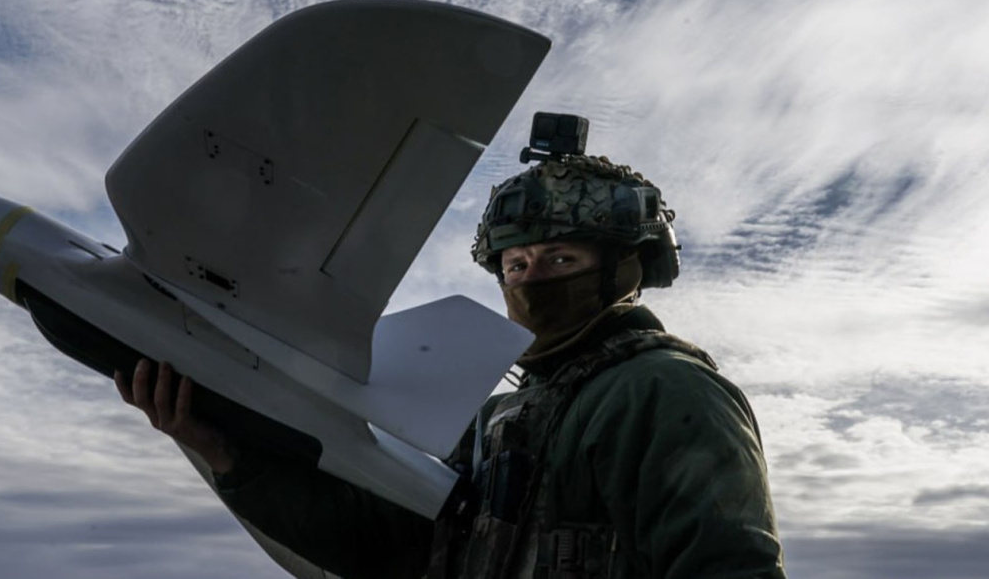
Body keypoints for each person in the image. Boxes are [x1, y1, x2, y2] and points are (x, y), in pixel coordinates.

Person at [117, 147, 787, 579]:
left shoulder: (666, 391)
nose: (531, 280)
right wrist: (225, 452)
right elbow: (389, 548)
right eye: (516, 265)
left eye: (561, 259)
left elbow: (730, 569)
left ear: (625, 270)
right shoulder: (497, 416)